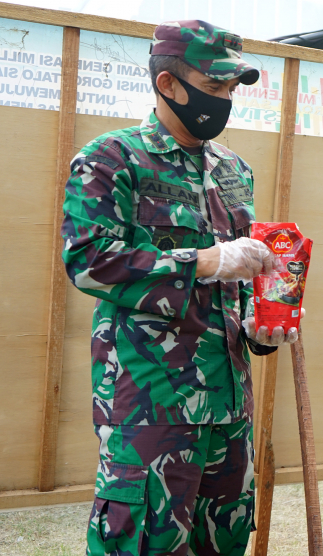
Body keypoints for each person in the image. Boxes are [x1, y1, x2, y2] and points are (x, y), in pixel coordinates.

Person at [61, 20, 296, 555]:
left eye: (230, 90)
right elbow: (87, 259)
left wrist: (261, 326)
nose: (224, 100)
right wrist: (205, 261)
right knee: (145, 543)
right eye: (213, 88)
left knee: (226, 540)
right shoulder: (112, 160)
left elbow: (237, 281)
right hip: (152, 406)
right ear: (168, 84)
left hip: (230, 407)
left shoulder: (234, 170)